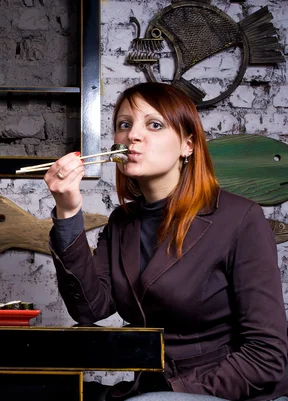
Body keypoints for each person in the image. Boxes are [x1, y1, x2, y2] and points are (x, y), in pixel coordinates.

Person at [46, 82, 288, 401]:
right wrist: (68, 210)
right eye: (124, 124)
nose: (133, 135)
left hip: (224, 391)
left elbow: (266, 355)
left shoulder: (240, 218)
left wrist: (169, 391)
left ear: (188, 145)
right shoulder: (122, 222)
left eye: (154, 125)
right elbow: (89, 309)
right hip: (150, 389)